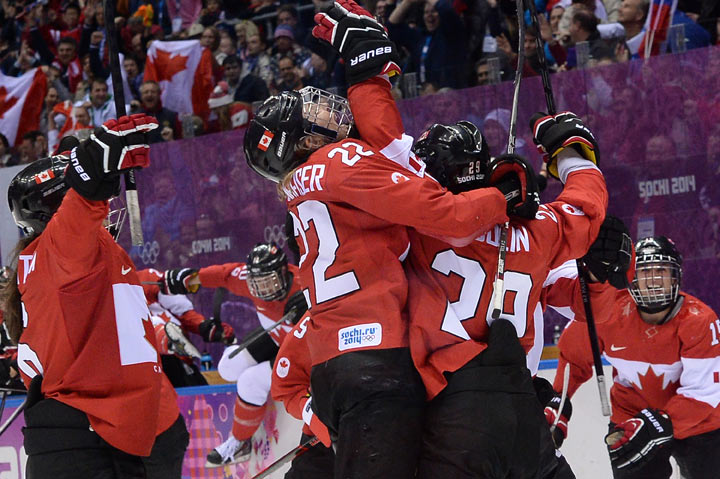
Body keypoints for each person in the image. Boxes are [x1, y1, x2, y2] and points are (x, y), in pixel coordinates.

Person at [244, 2, 519, 476]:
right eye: (309, 115)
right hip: (375, 363)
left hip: (335, 363)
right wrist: (501, 198)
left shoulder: (300, 187)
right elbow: (443, 214)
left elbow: (391, 155)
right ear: (300, 142)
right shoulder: (337, 160)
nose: (324, 112)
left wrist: (366, 73)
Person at [404, 111, 606, 478]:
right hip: (519, 403)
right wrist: (572, 155)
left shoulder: (411, 231)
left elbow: (378, 184)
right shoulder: (536, 229)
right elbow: (584, 211)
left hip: (448, 411)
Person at [3, 116, 188, 478]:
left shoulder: (68, 254)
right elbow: (83, 203)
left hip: (129, 427)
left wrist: (76, 156)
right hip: (87, 436)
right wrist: (92, 160)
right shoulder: (58, 248)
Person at [555, 235, 720, 478]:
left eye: (661, 271)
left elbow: (704, 393)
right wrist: (558, 405)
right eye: (645, 272)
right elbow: (573, 359)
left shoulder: (700, 321)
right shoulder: (608, 310)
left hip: (700, 424)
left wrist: (656, 424)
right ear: (631, 277)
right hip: (631, 418)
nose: (653, 280)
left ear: (676, 277)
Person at [160, 243, 307, 467]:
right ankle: (256, 406)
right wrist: (189, 280)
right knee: (228, 366)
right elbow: (225, 274)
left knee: (250, 381)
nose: (263, 291)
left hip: (304, 352)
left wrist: (312, 301)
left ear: (284, 272)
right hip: (277, 336)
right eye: (257, 284)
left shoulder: (305, 284)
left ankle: (239, 443)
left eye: (269, 283)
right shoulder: (250, 280)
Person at [138, 268, 235, 387]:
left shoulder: (146, 279)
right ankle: (167, 341)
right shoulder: (110, 299)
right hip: (139, 368)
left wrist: (203, 326)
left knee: (200, 398)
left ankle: (171, 343)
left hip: (175, 363)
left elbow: (183, 311)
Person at [271, 313, 335, 479]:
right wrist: (312, 411)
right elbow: (286, 387)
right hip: (323, 438)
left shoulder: (396, 298)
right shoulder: (318, 315)